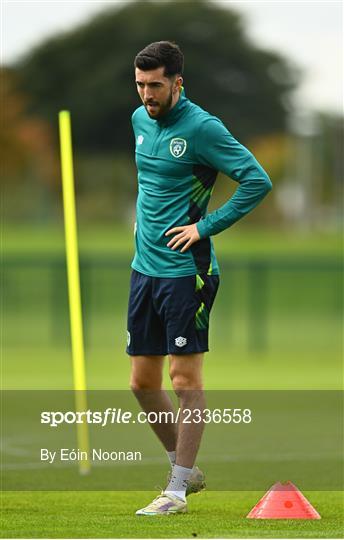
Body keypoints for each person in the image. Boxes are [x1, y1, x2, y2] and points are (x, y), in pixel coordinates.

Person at [127, 41, 272, 516]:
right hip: (143, 269)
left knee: (183, 376)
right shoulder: (138, 120)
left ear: (177, 82)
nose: (148, 94)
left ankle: (175, 492)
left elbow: (256, 180)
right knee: (141, 384)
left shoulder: (203, 127)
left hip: (186, 272)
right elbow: (153, 185)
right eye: (141, 84)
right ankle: (185, 469)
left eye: (156, 85)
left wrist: (203, 226)